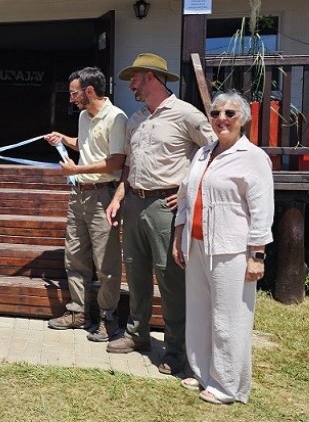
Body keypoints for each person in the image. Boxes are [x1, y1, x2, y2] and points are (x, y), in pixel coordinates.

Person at [104, 53, 215, 375]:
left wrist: (187, 193)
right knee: (136, 273)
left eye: (134, 78)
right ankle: (137, 334)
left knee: (170, 279)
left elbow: (213, 154)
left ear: (150, 77)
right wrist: (119, 197)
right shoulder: (137, 119)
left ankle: (177, 347)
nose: (130, 84)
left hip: (165, 206)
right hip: (135, 204)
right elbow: (128, 166)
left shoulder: (187, 115)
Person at [172, 91, 274, 404]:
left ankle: (229, 386)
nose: (222, 119)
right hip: (198, 244)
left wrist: (257, 255)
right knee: (200, 312)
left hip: (231, 250)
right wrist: (179, 237)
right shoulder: (203, 153)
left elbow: (261, 208)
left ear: (243, 118)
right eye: (216, 113)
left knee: (229, 319)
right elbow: (186, 196)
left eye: (230, 113)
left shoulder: (254, 157)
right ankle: (204, 372)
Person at [43, 67, 127, 342]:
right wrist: (63, 139)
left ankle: (108, 319)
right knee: (75, 256)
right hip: (78, 195)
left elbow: (116, 162)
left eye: (73, 93)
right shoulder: (83, 116)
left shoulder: (116, 118)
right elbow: (84, 144)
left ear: (89, 91)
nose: (71, 98)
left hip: (103, 195)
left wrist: (76, 171)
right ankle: (79, 313)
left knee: (106, 262)